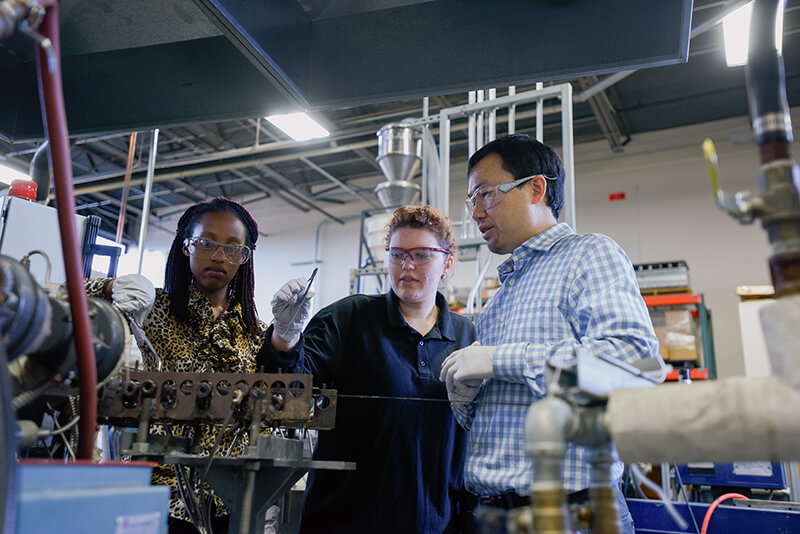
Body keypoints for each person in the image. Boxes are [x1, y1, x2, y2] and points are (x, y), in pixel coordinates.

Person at [439, 135, 661, 532]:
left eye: (486, 194)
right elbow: (499, 418)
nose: (475, 212)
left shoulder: (589, 255)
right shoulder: (497, 303)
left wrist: (499, 360)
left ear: (536, 188)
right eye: (471, 201)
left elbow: (630, 364)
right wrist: (465, 400)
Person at [260, 205, 478, 533]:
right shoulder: (349, 319)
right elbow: (286, 388)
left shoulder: (468, 336)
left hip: (436, 522)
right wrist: (285, 335)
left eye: (421, 254)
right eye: (397, 254)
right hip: (344, 521)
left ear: (447, 263)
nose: (407, 264)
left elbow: (473, 442)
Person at [86, 196, 268, 534]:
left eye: (232, 248)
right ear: (186, 246)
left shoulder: (256, 333)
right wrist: (109, 287)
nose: (218, 256)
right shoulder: (153, 311)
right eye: (205, 243)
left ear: (244, 258)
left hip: (232, 499)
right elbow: (60, 301)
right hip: (158, 496)